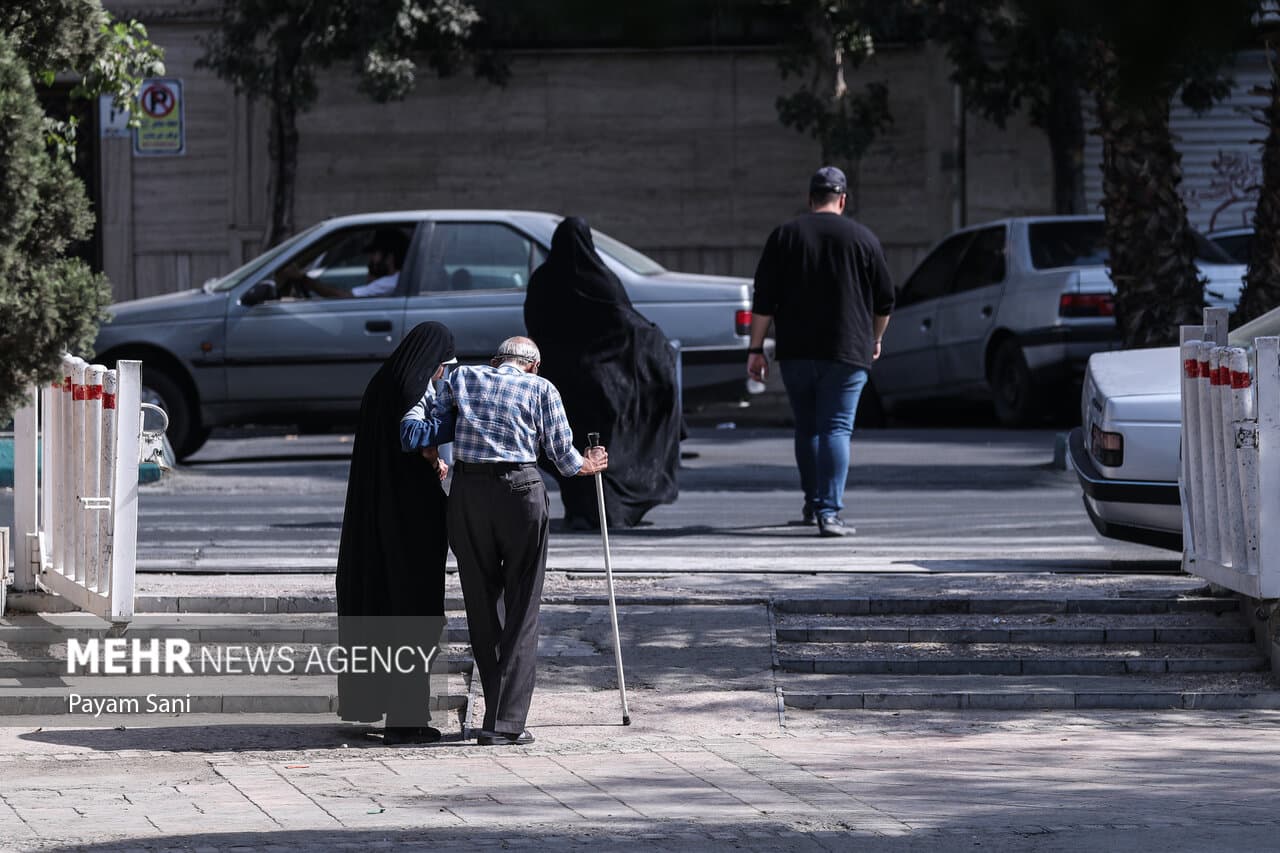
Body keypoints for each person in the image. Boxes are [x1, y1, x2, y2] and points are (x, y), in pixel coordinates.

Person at [404, 336, 608, 746]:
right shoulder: (541, 388)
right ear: (533, 365)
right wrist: (590, 464)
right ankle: (505, 724)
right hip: (520, 492)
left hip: (468, 494)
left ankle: (495, 711)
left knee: (481, 605)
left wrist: (432, 457)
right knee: (523, 604)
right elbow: (563, 458)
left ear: (497, 360)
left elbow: (436, 425)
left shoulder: (462, 377)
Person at [747, 166, 894, 537]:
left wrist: (755, 349)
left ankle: (813, 503)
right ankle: (829, 513)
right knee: (837, 429)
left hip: (796, 351)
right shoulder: (864, 239)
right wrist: (875, 338)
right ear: (843, 199)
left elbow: (763, 300)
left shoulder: (785, 236)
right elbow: (885, 301)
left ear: (810, 199)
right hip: (848, 351)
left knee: (808, 428)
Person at [335, 321, 455, 745]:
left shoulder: (381, 385)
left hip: (375, 522)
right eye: (444, 366)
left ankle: (373, 705)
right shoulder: (412, 391)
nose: (442, 375)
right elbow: (413, 442)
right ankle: (407, 720)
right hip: (411, 526)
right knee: (416, 615)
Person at [524, 216, 680, 529]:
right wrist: (655, 341)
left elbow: (534, 324)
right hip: (604, 383)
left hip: (560, 380)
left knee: (568, 443)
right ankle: (608, 511)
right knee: (601, 448)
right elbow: (626, 324)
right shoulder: (600, 277)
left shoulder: (542, 279)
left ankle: (579, 510)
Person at [282, 227, 409, 299]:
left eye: (375, 254)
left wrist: (304, 279)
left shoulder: (389, 283)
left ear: (389, 258)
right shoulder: (393, 281)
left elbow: (344, 296)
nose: (371, 259)